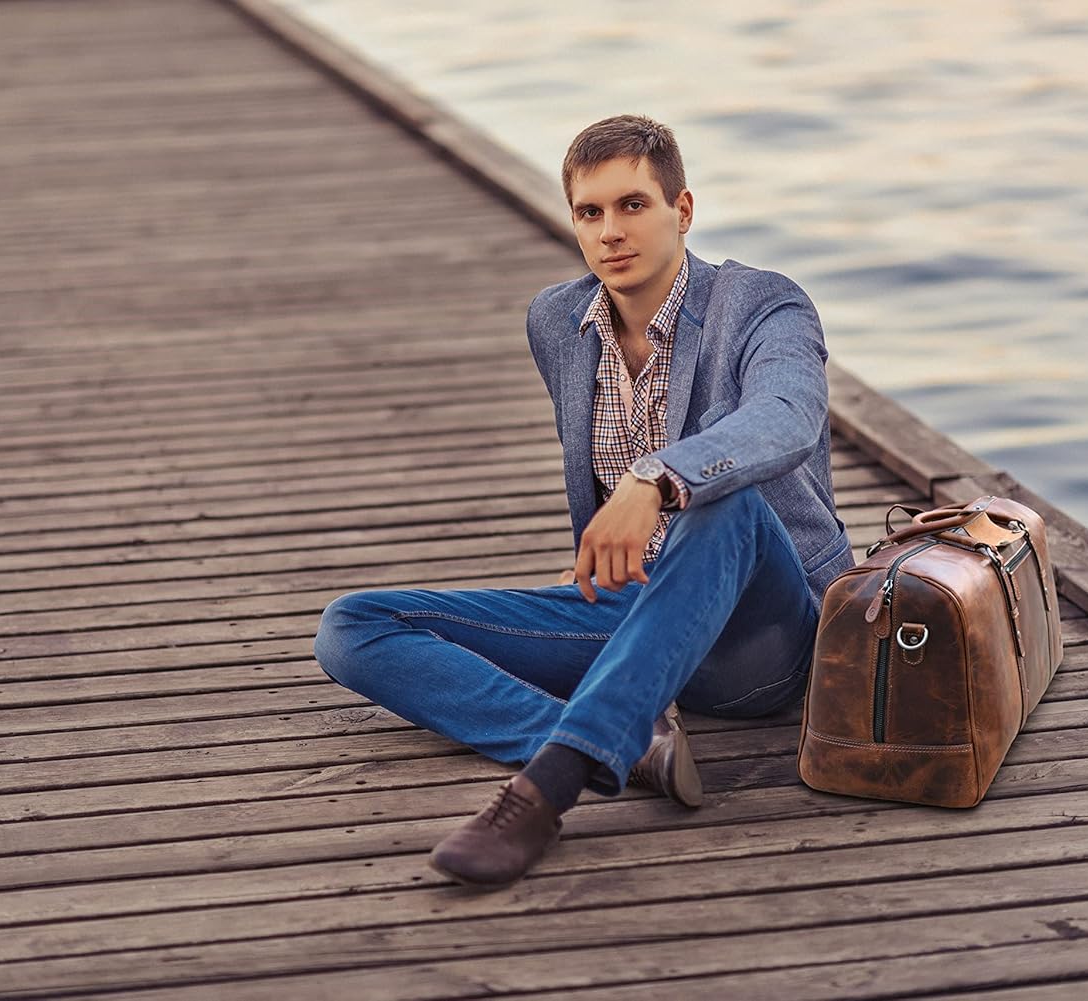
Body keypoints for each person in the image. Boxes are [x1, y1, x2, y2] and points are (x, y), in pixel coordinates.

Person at [314, 114, 854, 888]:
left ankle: (547, 786)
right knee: (353, 625)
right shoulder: (558, 322)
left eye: (633, 205)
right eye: (589, 212)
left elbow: (787, 415)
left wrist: (658, 478)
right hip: (633, 614)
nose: (611, 232)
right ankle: (627, 743)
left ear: (682, 210)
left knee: (723, 502)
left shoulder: (763, 306)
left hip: (764, 636)